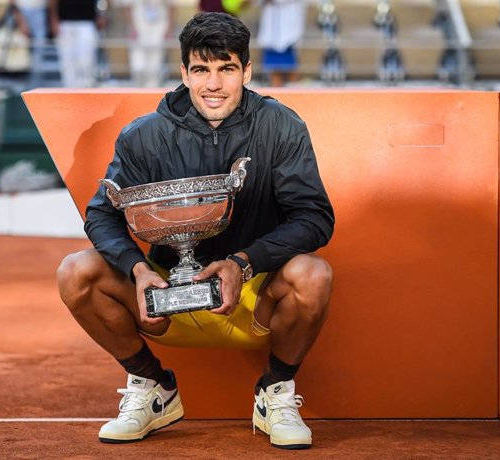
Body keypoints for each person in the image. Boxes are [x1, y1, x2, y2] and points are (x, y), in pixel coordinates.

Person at [56, 12, 334, 450]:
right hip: (165, 296)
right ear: (184, 72)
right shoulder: (143, 136)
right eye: (201, 69)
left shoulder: (282, 126)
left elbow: (315, 216)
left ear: (246, 70)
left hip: (251, 296)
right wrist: (137, 271)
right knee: (75, 271)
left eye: (226, 69)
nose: (213, 84)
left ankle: (274, 392)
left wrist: (244, 263)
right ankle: (154, 388)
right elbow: (101, 214)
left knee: (313, 275)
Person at [49, 0, 103, 87]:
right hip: (65, 22)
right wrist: (53, 19)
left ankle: (87, 91)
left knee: (86, 60)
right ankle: (69, 93)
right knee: (67, 61)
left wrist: (102, 15)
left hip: (87, 22)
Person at [257, 0, 306, 86]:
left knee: (292, 72)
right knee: (274, 72)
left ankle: (296, 97)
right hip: (271, 34)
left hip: (289, 34)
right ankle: (277, 98)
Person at [126, 0, 175, 87]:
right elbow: (128, 7)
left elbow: (172, 7)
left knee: (154, 67)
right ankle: (137, 91)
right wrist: (132, 27)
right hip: (139, 26)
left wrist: (169, 29)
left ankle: (152, 93)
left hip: (159, 26)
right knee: (138, 66)